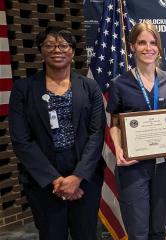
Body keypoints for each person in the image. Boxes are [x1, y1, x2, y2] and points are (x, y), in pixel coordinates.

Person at [9, 26, 105, 240]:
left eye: (63, 45)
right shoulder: (23, 89)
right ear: (41, 51)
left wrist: (77, 177)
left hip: (85, 178)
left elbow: (96, 134)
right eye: (49, 45)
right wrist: (56, 181)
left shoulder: (90, 87)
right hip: (43, 180)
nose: (57, 50)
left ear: (72, 51)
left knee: (86, 234)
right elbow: (21, 140)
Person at [107, 22, 166, 240]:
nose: (148, 48)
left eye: (153, 42)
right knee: (138, 232)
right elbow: (115, 124)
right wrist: (118, 149)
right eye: (142, 43)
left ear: (159, 47)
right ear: (132, 47)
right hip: (133, 167)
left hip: (164, 164)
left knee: (157, 228)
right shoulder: (119, 84)